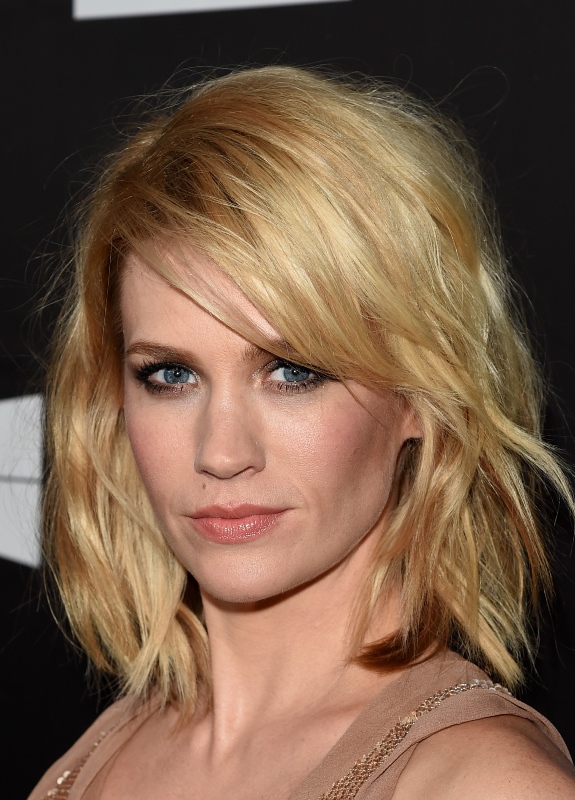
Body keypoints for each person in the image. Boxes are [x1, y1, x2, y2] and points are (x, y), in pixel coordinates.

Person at [30, 66, 575, 800]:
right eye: (171, 375)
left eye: (292, 372)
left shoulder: (482, 783)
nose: (221, 453)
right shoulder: (91, 765)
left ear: (421, 396)